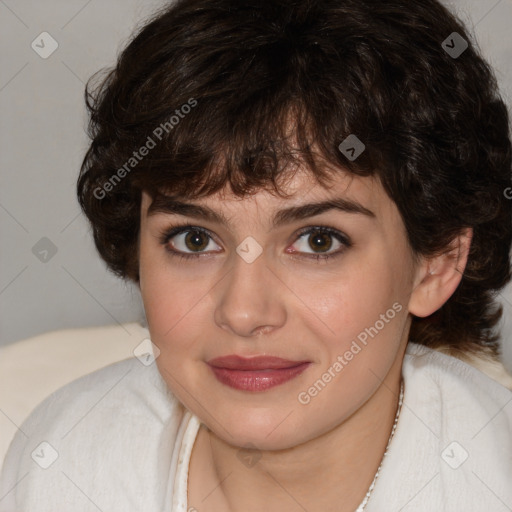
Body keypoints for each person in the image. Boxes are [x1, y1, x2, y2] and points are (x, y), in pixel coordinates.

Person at [1, 0, 512, 510]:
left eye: (318, 241)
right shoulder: (63, 462)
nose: (243, 313)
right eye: (194, 239)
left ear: (437, 262)